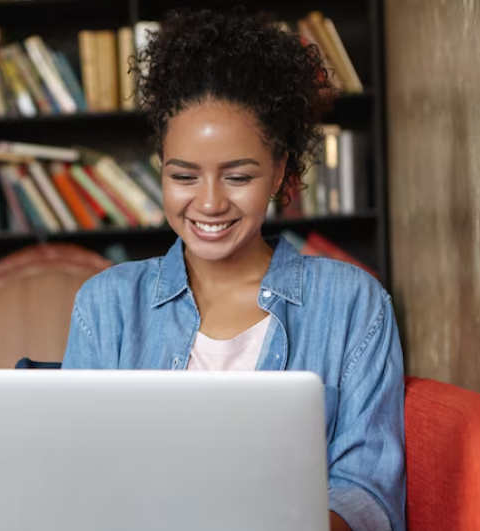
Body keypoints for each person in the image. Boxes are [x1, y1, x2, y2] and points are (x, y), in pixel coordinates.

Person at [62, 8, 405, 531]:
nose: (209, 203)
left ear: (281, 172)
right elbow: (74, 478)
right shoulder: (106, 305)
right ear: (162, 170)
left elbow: (368, 491)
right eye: (184, 176)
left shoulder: (352, 303)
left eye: (238, 176)